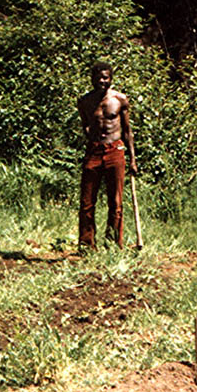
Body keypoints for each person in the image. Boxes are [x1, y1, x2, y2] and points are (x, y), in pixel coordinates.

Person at [77, 61, 138, 250]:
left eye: (106, 77)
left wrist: (133, 159)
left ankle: (112, 243)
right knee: (87, 202)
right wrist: (94, 141)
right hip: (94, 152)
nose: (102, 81)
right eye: (98, 77)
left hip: (115, 151)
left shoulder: (120, 99)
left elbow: (128, 131)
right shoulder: (85, 101)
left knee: (116, 202)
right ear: (92, 79)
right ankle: (87, 244)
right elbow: (86, 126)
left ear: (111, 78)